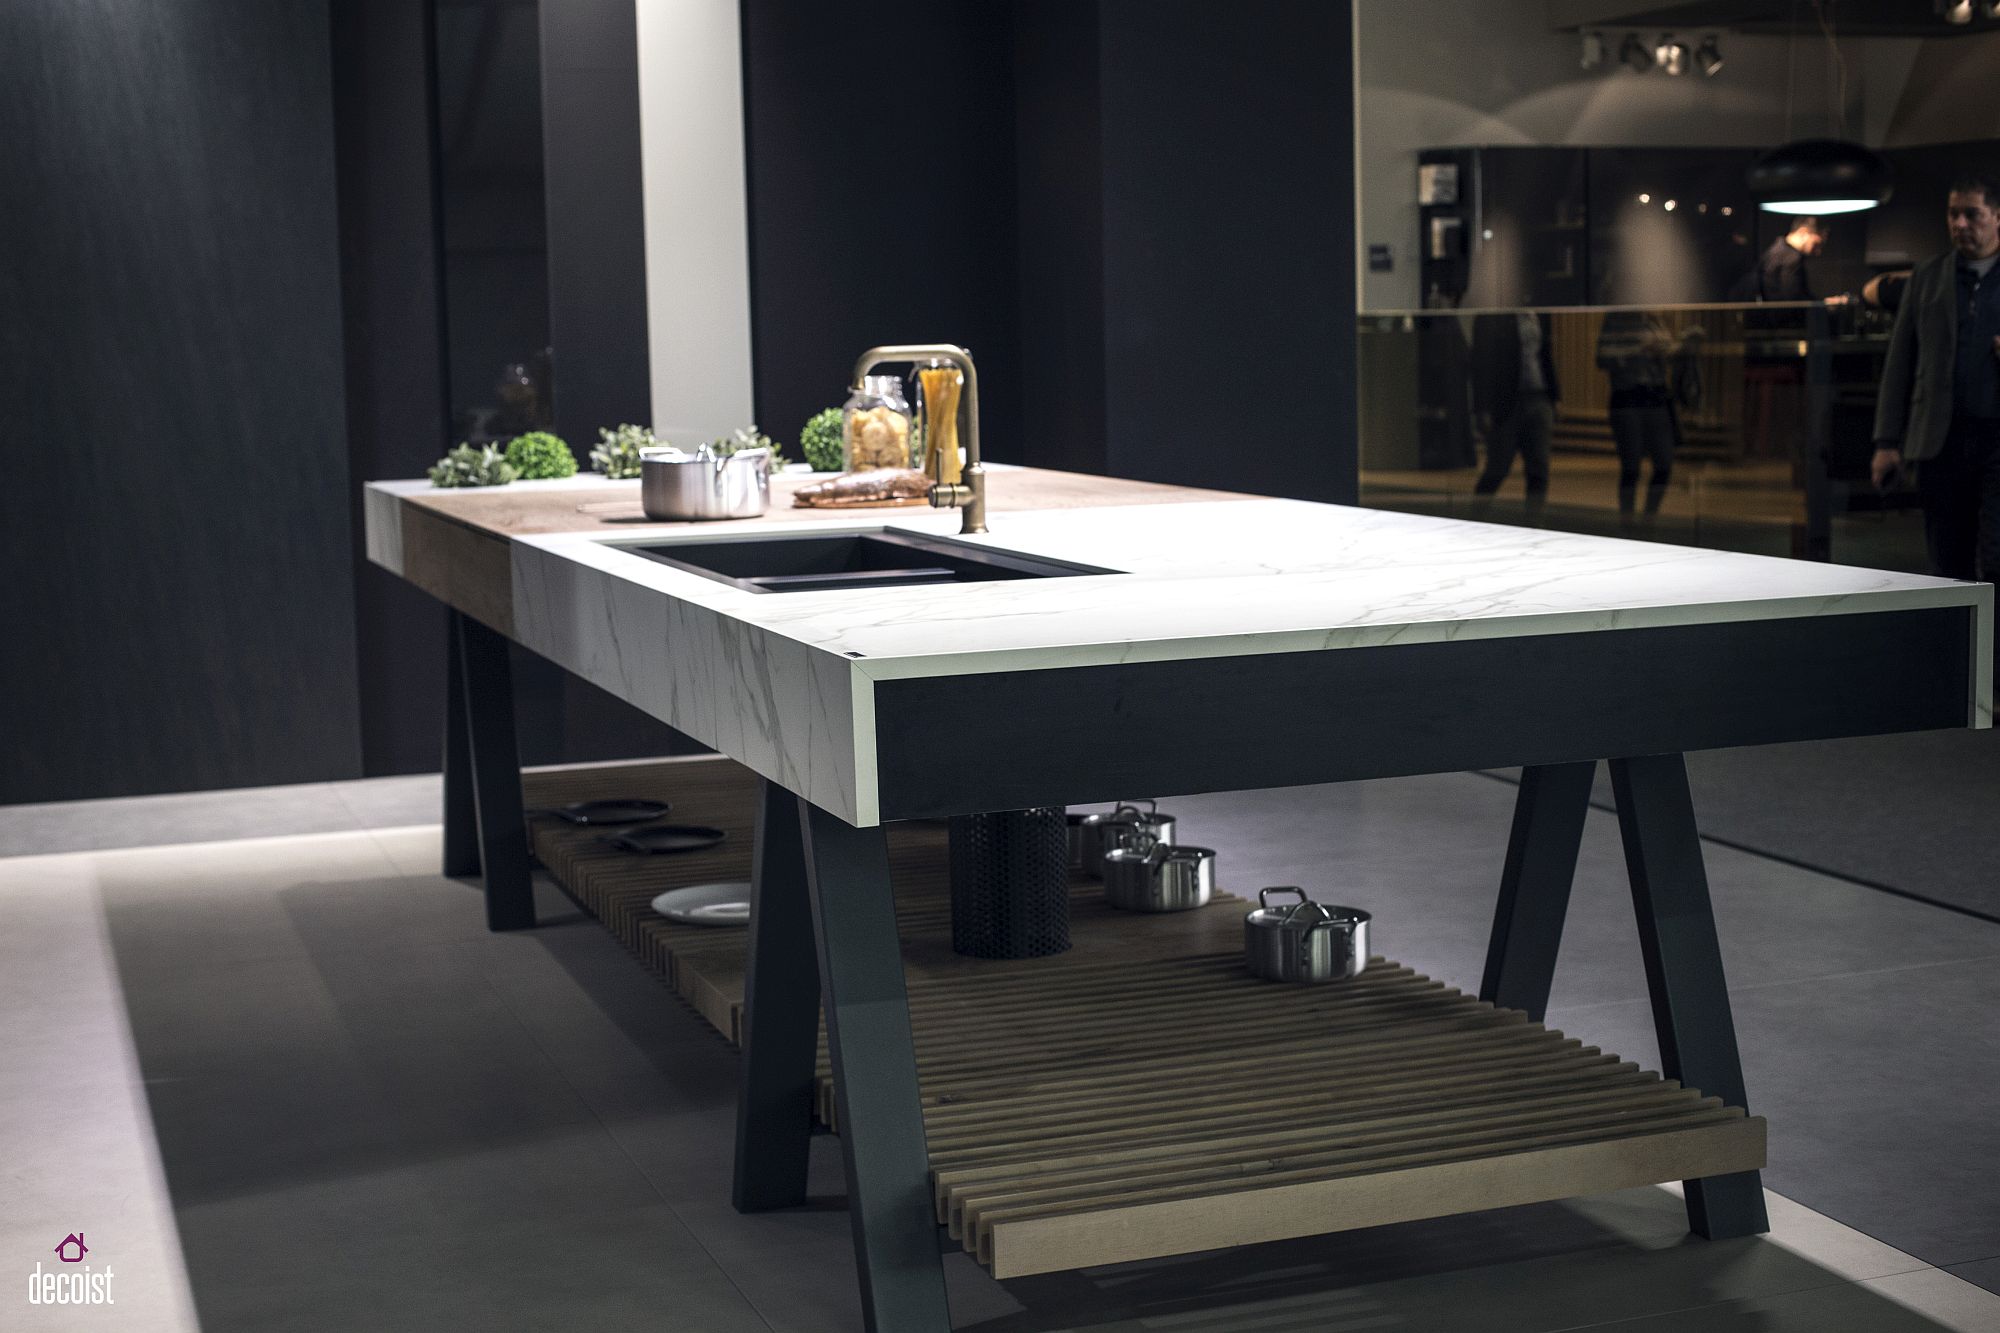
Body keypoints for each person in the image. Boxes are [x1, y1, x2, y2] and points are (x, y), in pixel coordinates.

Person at [1872, 174, 2000, 585]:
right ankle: (1957, 649)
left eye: (1972, 214)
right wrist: (1887, 442)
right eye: (1953, 214)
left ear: (1996, 216)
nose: (1960, 223)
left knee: (1997, 557)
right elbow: (1900, 362)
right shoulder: (1927, 277)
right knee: (1947, 564)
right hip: (1940, 441)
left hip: (1997, 440)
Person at [1595, 311, 1683, 522]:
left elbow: (1668, 351)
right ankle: (1627, 522)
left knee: (1663, 464)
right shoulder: (1616, 319)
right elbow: (1602, 358)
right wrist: (1638, 351)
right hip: (1628, 397)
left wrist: (1678, 349)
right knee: (1631, 466)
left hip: (1656, 396)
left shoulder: (1655, 319)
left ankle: (1649, 519)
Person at [1471, 310, 1560, 511]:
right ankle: (1476, 517)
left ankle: (1534, 524)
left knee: (1539, 468)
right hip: (1506, 400)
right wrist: (1482, 408)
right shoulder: (1492, 317)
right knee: (1498, 467)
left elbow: (1545, 355)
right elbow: (1482, 364)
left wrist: (1554, 396)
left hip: (1539, 395)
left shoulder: (1540, 313)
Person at [1733, 217, 1827, 302]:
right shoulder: (1791, 259)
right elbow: (1793, 300)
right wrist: (1822, 304)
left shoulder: (1776, 251)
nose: (1818, 251)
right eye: (1817, 244)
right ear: (1803, 233)